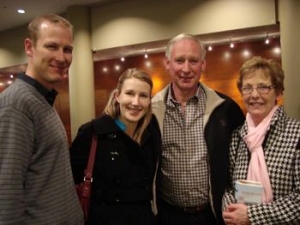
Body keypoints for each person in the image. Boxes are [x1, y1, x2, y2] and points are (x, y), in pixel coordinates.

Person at [151, 33, 245, 225]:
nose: (186, 69)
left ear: (203, 64)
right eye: (179, 61)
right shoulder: (151, 110)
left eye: (193, 61)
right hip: (167, 216)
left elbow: (242, 162)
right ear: (168, 64)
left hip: (212, 216)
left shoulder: (226, 108)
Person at [0, 14, 83, 224]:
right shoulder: (17, 103)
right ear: (29, 47)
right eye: (52, 46)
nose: (62, 57)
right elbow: (6, 192)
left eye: (68, 49)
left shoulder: (41, 99)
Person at [70, 68, 161, 225]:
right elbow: (69, 182)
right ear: (117, 96)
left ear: (149, 101)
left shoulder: (152, 131)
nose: (136, 102)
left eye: (143, 96)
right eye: (130, 93)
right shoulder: (92, 133)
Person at [222, 56, 300, 225]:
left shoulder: (297, 134)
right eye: (247, 88)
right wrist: (230, 210)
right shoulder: (237, 136)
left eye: (263, 87)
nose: (254, 95)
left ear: (278, 92)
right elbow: (228, 186)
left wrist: (251, 215)